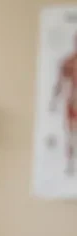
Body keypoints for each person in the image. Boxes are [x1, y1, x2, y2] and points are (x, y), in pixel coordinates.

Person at [53, 32, 77, 175]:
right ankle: (70, 164)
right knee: (71, 135)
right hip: (72, 103)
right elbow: (60, 83)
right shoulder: (68, 62)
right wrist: (54, 101)